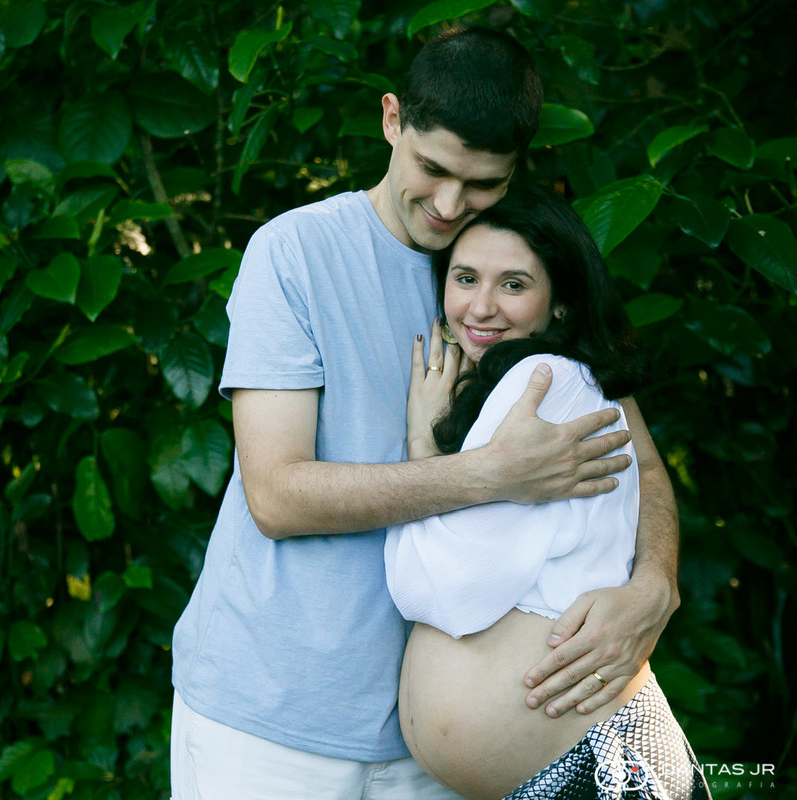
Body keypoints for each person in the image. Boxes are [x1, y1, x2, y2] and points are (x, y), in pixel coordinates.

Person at [170, 27, 680, 800]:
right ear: (391, 120)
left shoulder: (513, 267)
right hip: (272, 717)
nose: (448, 206)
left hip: (428, 754)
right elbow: (276, 495)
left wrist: (654, 584)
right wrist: (487, 475)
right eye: (432, 169)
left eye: (481, 184)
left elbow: (634, 455)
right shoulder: (296, 252)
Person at [387, 185, 710, 800]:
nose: (481, 307)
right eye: (465, 278)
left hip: (605, 768)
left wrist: (421, 442)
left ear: (560, 303)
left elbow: (436, 592)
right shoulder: (555, 381)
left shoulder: (544, 381)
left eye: (513, 285)